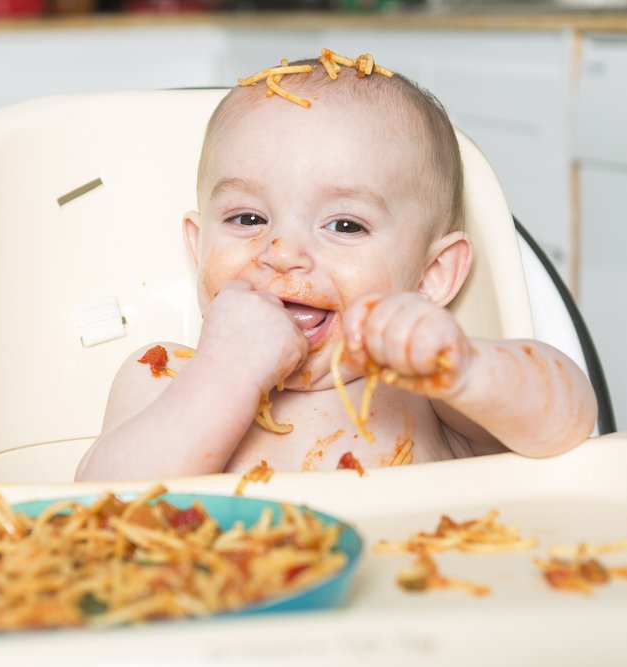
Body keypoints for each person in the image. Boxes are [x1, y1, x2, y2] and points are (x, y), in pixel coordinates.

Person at [75, 51, 598, 482]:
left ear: (431, 274)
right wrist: (225, 371)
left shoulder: (421, 391)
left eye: (345, 226)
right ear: (198, 249)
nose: (281, 252)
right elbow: (97, 505)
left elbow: (569, 423)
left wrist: (462, 368)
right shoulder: (165, 375)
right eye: (247, 217)